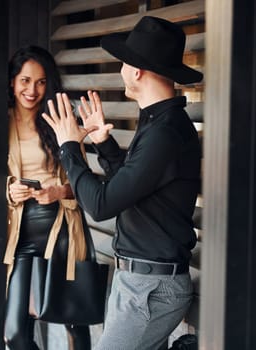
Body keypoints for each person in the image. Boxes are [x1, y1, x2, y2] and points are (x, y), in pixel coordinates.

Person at [42, 16, 203, 350]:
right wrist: (103, 144)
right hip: (138, 282)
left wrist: (70, 148)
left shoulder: (165, 132)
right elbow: (129, 192)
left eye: (124, 63)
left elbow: (100, 205)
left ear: (137, 70)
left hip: (151, 288)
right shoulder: (158, 123)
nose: (122, 70)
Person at [4, 45, 91, 350]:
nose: (32, 90)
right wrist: (9, 188)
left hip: (62, 229)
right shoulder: (0, 122)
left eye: (41, 82)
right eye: (25, 80)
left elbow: (84, 182)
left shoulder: (59, 120)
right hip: (21, 233)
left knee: (75, 325)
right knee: (15, 333)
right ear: (13, 81)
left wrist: (57, 191)